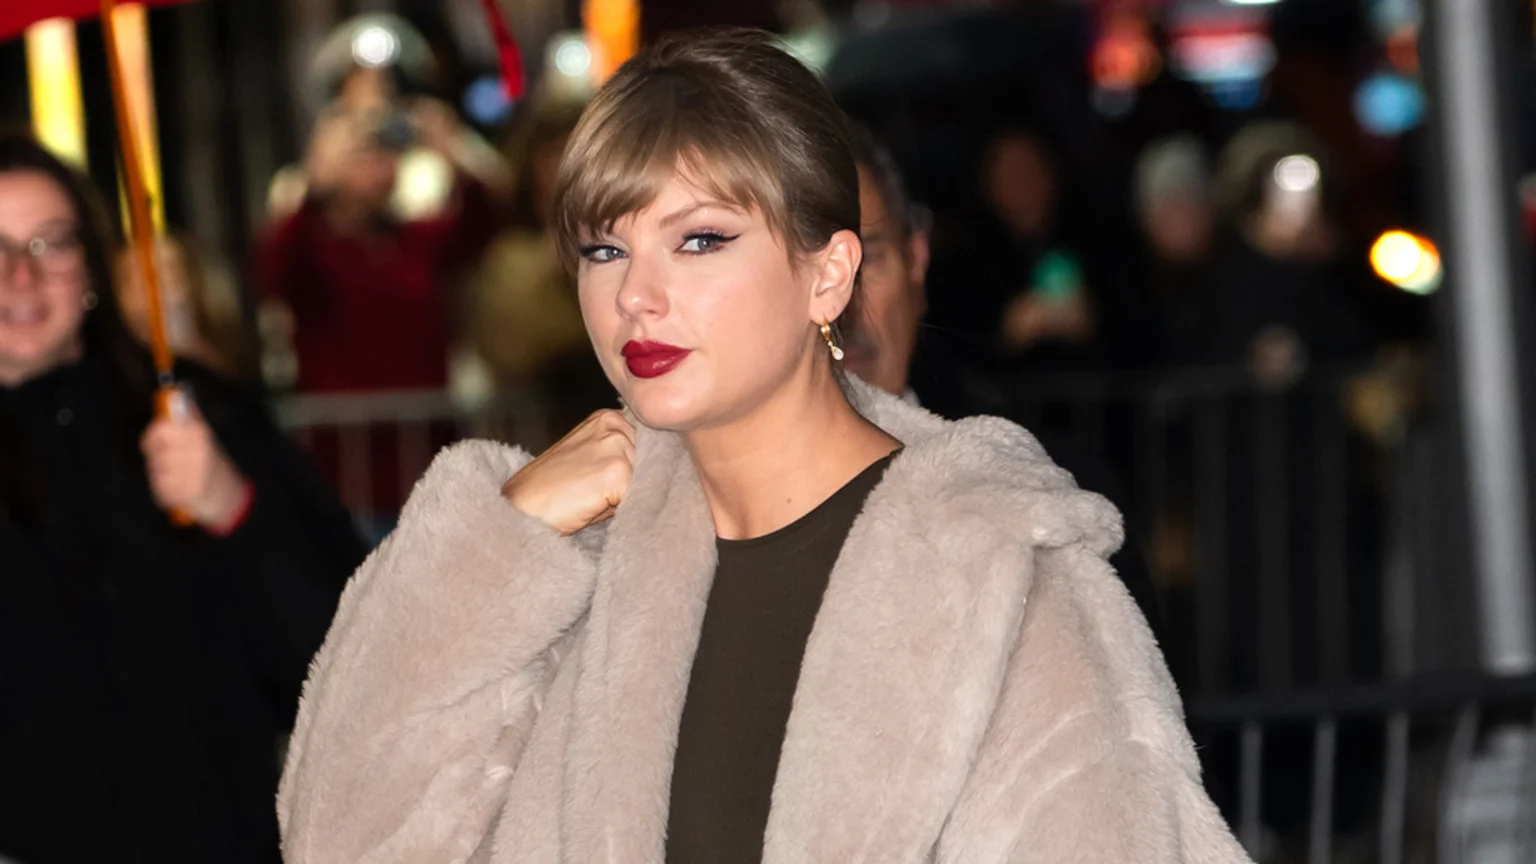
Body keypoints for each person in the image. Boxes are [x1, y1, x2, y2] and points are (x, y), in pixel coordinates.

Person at [278, 31, 1250, 863]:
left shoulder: (997, 577)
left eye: (698, 239)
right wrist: (495, 549)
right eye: (604, 249)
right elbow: (341, 838)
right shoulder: (566, 564)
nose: (636, 295)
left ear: (828, 275)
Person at [0, 135, 367, 863]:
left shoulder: (197, 413)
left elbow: (343, 662)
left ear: (95, 267)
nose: (22, 279)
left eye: (52, 245)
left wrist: (234, 507)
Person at [844, 126, 1169, 658]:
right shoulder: (724, 514)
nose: (842, 303)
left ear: (916, 261)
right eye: (811, 265)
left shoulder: (1054, 490)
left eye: (867, 258)